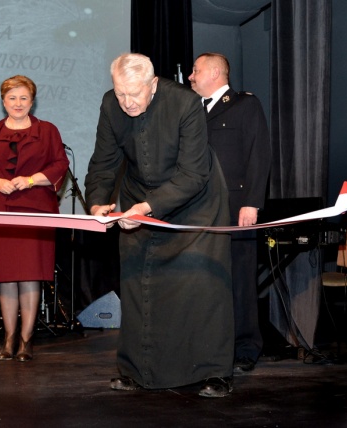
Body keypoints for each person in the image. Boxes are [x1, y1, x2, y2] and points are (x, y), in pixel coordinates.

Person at [84, 53, 235, 398]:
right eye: (120, 93)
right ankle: (138, 371)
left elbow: (193, 173)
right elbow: (104, 161)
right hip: (138, 197)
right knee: (138, 283)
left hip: (196, 203)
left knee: (203, 286)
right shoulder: (110, 105)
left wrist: (149, 207)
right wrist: (97, 202)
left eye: (134, 93)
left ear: (153, 84)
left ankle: (214, 372)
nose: (127, 102)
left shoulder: (185, 103)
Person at [0, 75, 68, 362]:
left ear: (32, 101)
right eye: (12, 98)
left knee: (30, 275)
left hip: (35, 210)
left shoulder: (47, 130)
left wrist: (31, 179)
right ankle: (9, 338)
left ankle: (26, 339)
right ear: (3, 101)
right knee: (6, 276)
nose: (18, 103)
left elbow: (60, 163)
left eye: (24, 98)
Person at [189, 52, 271, 373]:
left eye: (196, 71)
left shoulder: (245, 105)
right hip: (200, 211)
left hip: (236, 209)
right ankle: (212, 345)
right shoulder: (192, 111)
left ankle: (246, 347)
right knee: (206, 280)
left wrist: (252, 202)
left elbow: (259, 154)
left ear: (214, 73)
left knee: (240, 280)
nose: (191, 77)